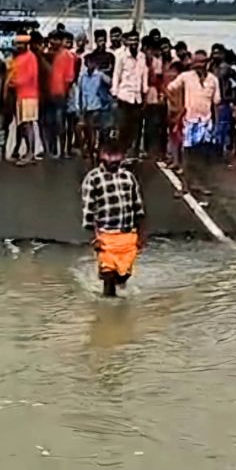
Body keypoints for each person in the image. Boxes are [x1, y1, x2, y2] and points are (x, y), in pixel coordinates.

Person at [81, 143, 147, 298]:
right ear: (102, 160)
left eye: (117, 162)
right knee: (109, 280)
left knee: (123, 275)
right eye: (111, 162)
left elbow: (138, 207)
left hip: (127, 235)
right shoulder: (93, 179)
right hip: (106, 237)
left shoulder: (128, 177)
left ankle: (117, 283)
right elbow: (88, 212)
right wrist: (94, 239)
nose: (114, 165)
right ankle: (108, 315)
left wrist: (142, 234)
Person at [164, 51, 219, 198]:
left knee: (203, 155)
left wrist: (215, 125)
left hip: (206, 122)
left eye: (203, 62)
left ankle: (201, 184)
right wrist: (178, 106)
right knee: (187, 155)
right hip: (189, 121)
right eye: (197, 62)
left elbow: (216, 103)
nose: (200, 65)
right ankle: (185, 186)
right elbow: (169, 89)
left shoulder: (213, 80)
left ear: (207, 63)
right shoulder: (186, 77)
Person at [69, 51, 110, 166]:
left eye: (92, 62)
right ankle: (87, 151)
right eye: (88, 62)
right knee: (80, 130)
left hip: (97, 108)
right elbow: (81, 94)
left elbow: (111, 85)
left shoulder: (100, 76)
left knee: (92, 134)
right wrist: (80, 109)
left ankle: (94, 156)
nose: (90, 64)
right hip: (86, 109)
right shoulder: (83, 78)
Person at [112, 29, 148, 158]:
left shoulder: (142, 56)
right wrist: (115, 94)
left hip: (137, 97)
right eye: (131, 40)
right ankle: (121, 153)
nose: (134, 43)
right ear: (126, 42)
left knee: (136, 127)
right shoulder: (120, 55)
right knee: (123, 127)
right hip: (124, 95)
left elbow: (144, 74)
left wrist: (145, 92)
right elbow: (117, 74)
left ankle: (134, 153)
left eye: (136, 41)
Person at [41, 31, 76, 159]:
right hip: (48, 93)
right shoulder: (49, 55)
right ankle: (52, 149)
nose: (53, 42)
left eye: (56, 39)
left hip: (60, 94)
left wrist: (65, 94)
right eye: (51, 39)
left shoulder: (67, 56)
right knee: (50, 123)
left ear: (61, 41)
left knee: (60, 123)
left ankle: (62, 151)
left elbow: (69, 78)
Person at [9, 31, 42, 165]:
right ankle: (28, 152)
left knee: (27, 124)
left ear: (25, 44)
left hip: (29, 95)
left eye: (19, 44)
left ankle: (30, 153)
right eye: (16, 44)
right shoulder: (18, 58)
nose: (17, 46)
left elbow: (30, 76)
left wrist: (14, 82)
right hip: (20, 95)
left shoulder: (30, 57)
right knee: (23, 125)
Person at [141, 35, 167, 161]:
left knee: (153, 122)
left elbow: (158, 79)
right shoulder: (142, 59)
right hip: (141, 93)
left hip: (153, 93)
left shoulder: (156, 61)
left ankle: (152, 149)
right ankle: (145, 148)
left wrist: (160, 93)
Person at [164, 59, 187, 173]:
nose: (170, 74)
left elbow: (183, 103)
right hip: (172, 113)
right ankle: (175, 161)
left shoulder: (182, 86)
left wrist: (179, 115)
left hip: (180, 115)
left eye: (173, 71)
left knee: (181, 140)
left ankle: (182, 164)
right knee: (173, 139)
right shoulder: (170, 86)